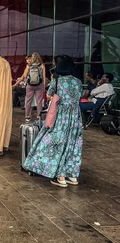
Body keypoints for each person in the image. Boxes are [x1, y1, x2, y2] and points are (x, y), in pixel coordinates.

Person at [23, 55, 83, 188]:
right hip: (75, 117)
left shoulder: (58, 82)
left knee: (55, 143)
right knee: (73, 144)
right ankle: (72, 175)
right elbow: (79, 95)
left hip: (61, 117)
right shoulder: (78, 81)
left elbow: (50, 96)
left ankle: (60, 176)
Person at [15, 52, 46, 122]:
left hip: (30, 86)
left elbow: (24, 76)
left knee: (28, 101)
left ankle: (27, 117)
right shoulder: (42, 65)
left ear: (32, 58)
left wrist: (16, 84)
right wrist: (43, 87)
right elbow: (44, 77)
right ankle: (39, 116)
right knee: (39, 102)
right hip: (39, 85)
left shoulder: (29, 66)